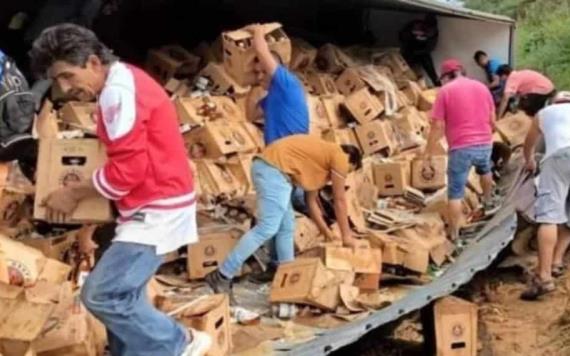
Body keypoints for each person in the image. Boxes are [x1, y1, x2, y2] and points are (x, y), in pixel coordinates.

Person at [30, 24, 211, 356]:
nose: (66, 87)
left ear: (95, 63)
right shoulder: (124, 80)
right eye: (58, 81)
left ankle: (178, 342)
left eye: (69, 76)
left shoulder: (117, 93)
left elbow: (128, 171)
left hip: (156, 209)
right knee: (127, 297)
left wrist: (73, 193)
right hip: (154, 203)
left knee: (102, 294)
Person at [205, 135, 362, 302]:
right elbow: (339, 200)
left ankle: (284, 275)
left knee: (286, 226)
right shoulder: (340, 157)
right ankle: (222, 274)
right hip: (273, 171)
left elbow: (311, 203)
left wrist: (327, 233)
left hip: (272, 171)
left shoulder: (321, 161)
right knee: (267, 228)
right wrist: (347, 236)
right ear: (350, 161)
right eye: (349, 171)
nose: (341, 176)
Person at [245, 24, 310, 283]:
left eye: (264, 70)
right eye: (257, 71)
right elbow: (250, 115)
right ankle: (280, 267)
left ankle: (281, 271)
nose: (261, 74)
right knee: (281, 220)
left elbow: (262, 50)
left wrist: (256, 32)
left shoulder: (286, 82)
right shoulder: (272, 96)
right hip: (278, 163)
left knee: (277, 223)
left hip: (288, 163)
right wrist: (253, 84)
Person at [424, 59, 496, 241]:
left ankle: (454, 233)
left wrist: (428, 153)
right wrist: (488, 134)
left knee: (455, 191)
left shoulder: (445, 92)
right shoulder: (482, 87)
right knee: (485, 169)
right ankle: (488, 202)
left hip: (460, 146)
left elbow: (438, 126)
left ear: (447, 76)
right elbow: (492, 118)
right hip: (485, 141)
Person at [521, 91, 570, 300]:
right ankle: (557, 260)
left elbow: (528, 143)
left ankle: (544, 276)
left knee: (549, 217)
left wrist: (530, 161)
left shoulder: (544, 113)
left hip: (558, 158)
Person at [399, 14, 440, 86]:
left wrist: (424, 38)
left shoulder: (433, 32)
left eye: (430, 28)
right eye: (426, 27)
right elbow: (401, 36)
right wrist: (413, 35)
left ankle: (438, 86)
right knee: (404, 71)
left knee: (431, 72)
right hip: (409, 51)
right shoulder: (415, 24)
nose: (427, 30)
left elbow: (431, 47)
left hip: (423, 53)